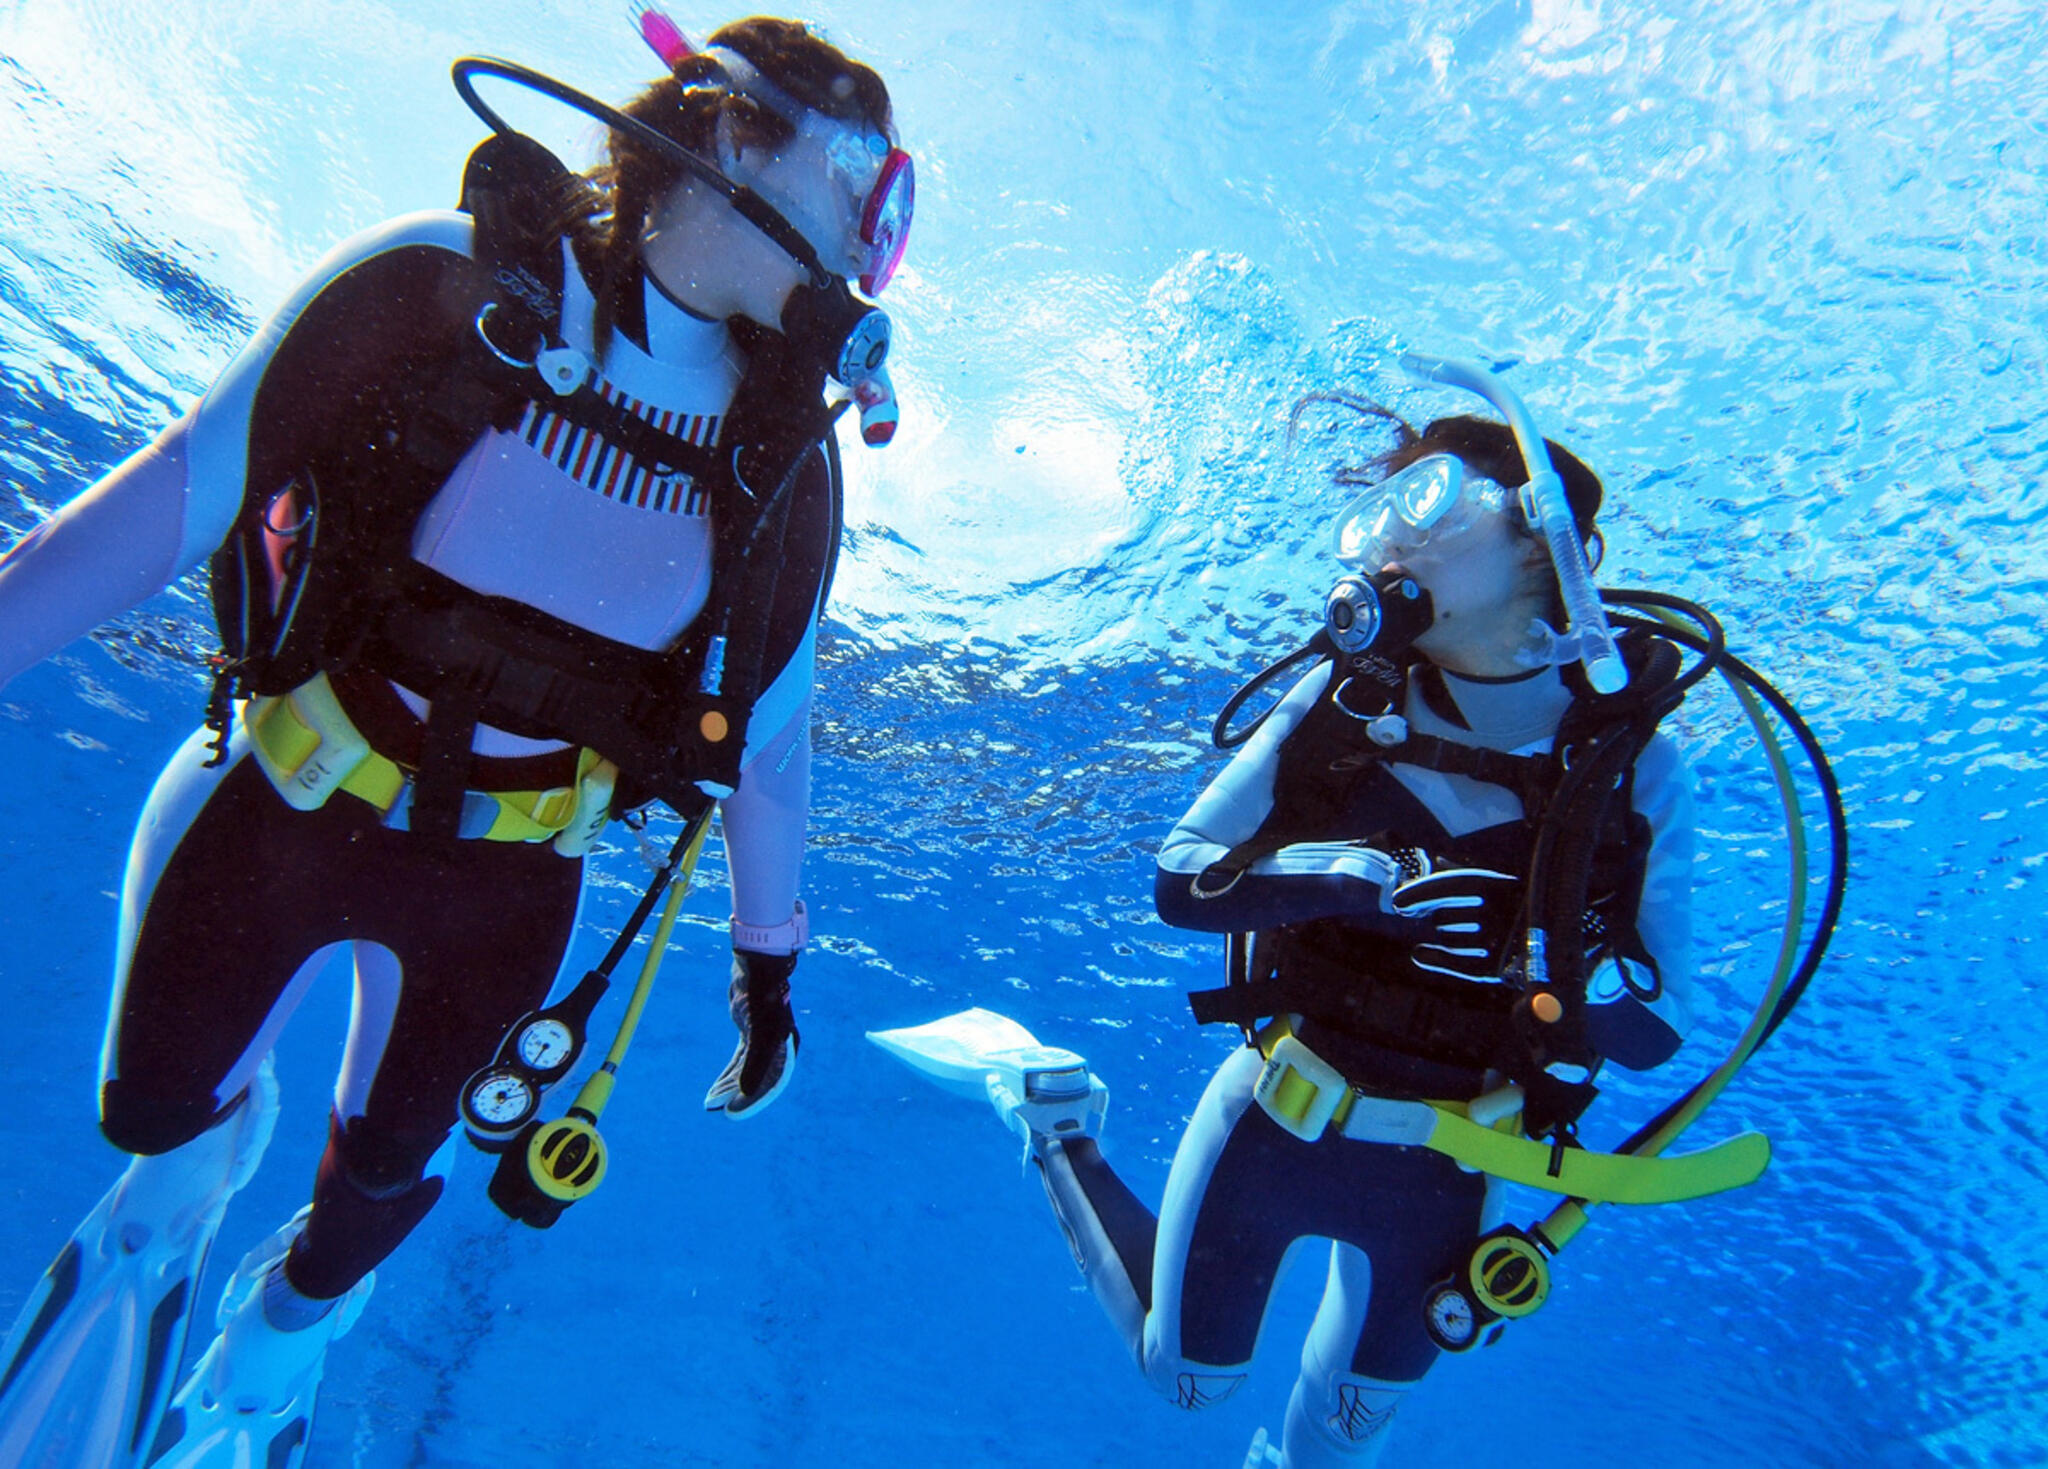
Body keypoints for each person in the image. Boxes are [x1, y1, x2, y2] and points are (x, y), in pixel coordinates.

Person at [0, 13, 911, 1467]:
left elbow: (772, 744)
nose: (877, 239)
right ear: (731, 135)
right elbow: (173, 500)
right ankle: (181, 1202)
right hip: (281, 798)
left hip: (506, 892)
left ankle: (281, 1348)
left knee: (367, 1210)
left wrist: (769, 966)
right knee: (157, 1124)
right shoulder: (441, 282)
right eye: (864, 178)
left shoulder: (780, 455)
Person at [872, 371, 1699, 1468]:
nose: (1384, 550)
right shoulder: (1341, 706)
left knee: (1339, 1439)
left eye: (1432, 509)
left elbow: (1662, 1022)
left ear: (1546, 542)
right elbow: (1180, 875)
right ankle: (1051, 1114)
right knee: (1183, 1377)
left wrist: (1557, 964)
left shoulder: (1632, 767)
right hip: (1280, 1108)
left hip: (1455, 1156)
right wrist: (1345, 875)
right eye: (1376, 520)